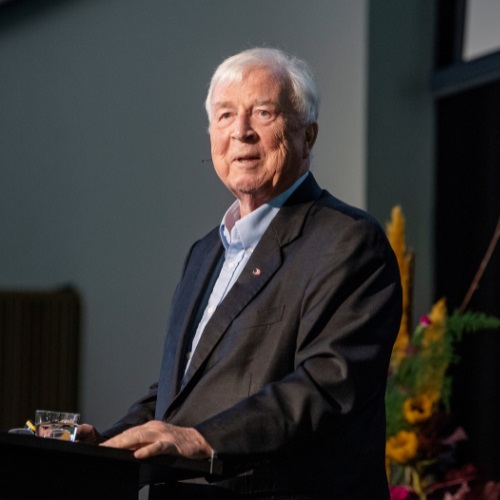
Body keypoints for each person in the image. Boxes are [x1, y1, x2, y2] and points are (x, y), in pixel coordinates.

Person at [78, 47, 402, 499]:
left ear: (308, 135)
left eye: (263, 113)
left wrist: (205, 439)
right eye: (225, 115)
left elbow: (329, 383)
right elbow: (180, 393)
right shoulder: (204, 253)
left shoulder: (348, 241)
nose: (241, 132)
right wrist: (103, 447)